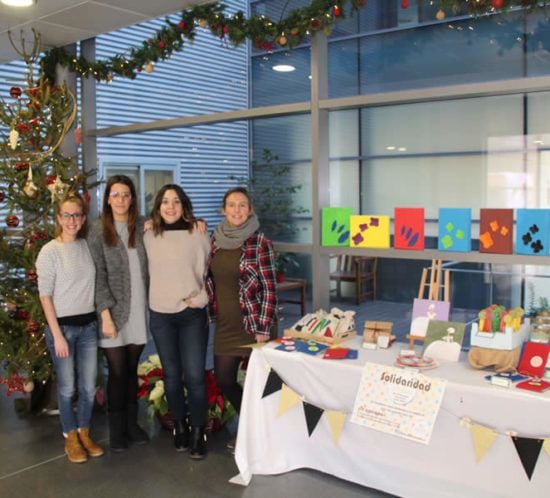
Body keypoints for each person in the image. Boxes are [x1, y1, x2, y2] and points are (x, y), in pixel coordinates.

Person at [205, 187, 277, 449]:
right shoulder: (214, 241)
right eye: (232, 205)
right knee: (224, 379)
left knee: (263, 381)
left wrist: (263, 327)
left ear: (250, 210)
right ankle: (254, 424)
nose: (237, 210)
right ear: (223, 210)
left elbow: (269, 287)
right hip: (225, 324)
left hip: (253, 324)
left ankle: (257, 432)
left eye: (242, 205)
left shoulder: (260, 243)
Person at [36, 192, 104, 464]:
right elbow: (45, 296)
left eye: (77, 214)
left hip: (88, 327)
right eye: (66, 215)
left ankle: (84, 431)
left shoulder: (87, 247)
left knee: (88, 387)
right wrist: (56, 335)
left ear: (83, 218)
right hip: (62, 329)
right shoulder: (49, 251)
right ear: (58, 218)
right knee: (67, 389)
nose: (72, 220)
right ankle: (70, 436)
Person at [144, 184, 211, 459]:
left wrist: (204, 297)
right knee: (171, 376)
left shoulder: (198, 234)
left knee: (195, 376)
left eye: (176, 202)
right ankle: (179, 426)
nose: (170, 207)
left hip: (191, 314)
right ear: (158, 207)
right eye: (165, 202)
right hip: (161, 315)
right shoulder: (148, 234)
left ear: (184, 206)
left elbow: (212, 271)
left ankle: (198, 431)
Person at [87, 175, 149, 451]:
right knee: (117, 370)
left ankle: (132, 424)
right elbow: (96, 275)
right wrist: (105, 315)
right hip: (112, 313)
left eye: (126, 195)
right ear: (107, 199)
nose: (121, 200)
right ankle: (117, 431)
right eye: (115, 195)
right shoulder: (98, 231)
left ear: (132, 199)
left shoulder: (144, 227)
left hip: (139, 310)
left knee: (132, 369)